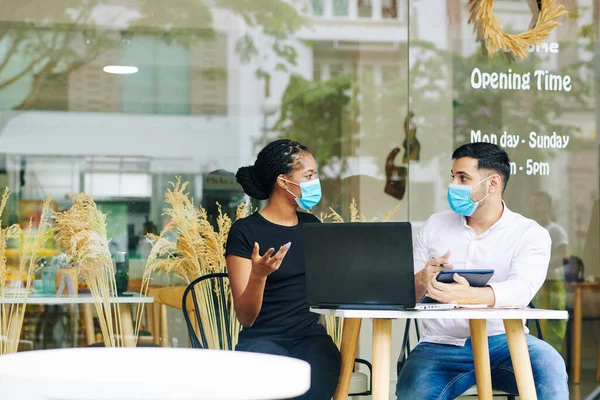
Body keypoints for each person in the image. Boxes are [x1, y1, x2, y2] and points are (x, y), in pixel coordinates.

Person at [396, 142, 568, 399]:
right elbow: (405, 294)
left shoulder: (529, 234)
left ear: (493, 183)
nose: (454, 185)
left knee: (550, 365)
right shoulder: (435, 226)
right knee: (413, 391)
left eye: (463, 178)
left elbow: (522, 289)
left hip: (505, 343)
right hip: (441, 346)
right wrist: (423, 278)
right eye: (453, 176)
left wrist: (469, 296)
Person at [226, 139, 341, 400]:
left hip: (310, 337)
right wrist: (258, 275)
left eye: (315, 175)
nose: (315, 182)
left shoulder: (313, 226)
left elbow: (331, 288)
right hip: (261, 340)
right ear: (282, 181)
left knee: (323, 361)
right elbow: (245, 317)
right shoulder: (245, 231)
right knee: (277, 378)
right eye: (309, 176)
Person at [528, 191, 570, 352]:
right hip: (535, 286)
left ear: (548, 206)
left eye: (538, 204)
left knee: (553, 325)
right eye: (531, 205)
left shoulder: (556, 230)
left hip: (552, 283)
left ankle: (554, 357)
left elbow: (565, 256)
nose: (534, 209)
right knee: (535, 323)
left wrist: (542, 266)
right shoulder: (530, 230)